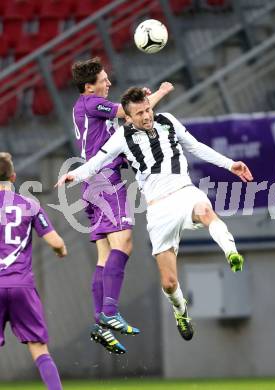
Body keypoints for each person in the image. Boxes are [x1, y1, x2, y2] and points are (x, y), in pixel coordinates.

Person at [57, 87, 253, 341]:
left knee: (205, 211)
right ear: (128, 117)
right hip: (158, 210)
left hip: (184, 191)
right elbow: (95, 163)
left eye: (148, 109)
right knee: (170, 282)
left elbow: (196, 147)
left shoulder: (168, 121)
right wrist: (74, 174)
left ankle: (231, 252)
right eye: (140, 113)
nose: (147, 116)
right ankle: (180, 310)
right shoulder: (120, 138)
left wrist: (230, 164)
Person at [71, 57, 174, 354]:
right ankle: (110, 311)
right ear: (89, 86)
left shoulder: (85, 107)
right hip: (105, 181)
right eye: (104, 80)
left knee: (105, 255)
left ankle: (99, 323)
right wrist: (160, 92)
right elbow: (131, 114)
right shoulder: (91, 103)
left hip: (93, 183)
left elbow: (121, 124)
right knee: (125, 242)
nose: (108, 83)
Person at [0, 152, 67, 390]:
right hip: (21, 285)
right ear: (14, 176)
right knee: (39, 348)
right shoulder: (30, 205)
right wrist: (61, 251)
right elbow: (57, 243)